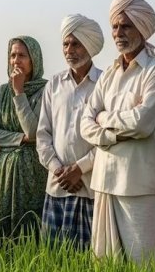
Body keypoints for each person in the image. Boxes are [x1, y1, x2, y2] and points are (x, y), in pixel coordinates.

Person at [79, 0, 155, 264]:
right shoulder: (108, 74)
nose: (118, 33)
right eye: (115, 26)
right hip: (104, 180)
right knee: (105, 265)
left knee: (145, 266)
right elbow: (85, 122)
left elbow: (142, 123)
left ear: (141, 29)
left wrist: (103, 117)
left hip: (138, 181)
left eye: (126, 26)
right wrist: (111, 132)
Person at [36, 14, 104, 249]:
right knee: (53, 258)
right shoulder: (54, 84)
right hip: (57, 187)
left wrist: (79, 170)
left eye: (76, 44)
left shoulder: (105, 83)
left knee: (91, 259)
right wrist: (59, 171)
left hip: (91, 188)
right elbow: (43, 135)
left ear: (89, 46)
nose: (69, 50)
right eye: (65, 44)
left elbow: (109, 139)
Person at [0, 36, 49, 239]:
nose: (16, 60)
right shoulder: (4, 91)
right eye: (12, 55)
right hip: (4, 171)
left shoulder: (46, 90)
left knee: (31, 225)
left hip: (33, 170)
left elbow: (33, 131)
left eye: (22, 55)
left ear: (34, 59)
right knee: (4, 227)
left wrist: (19, 91)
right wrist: (21, 139)